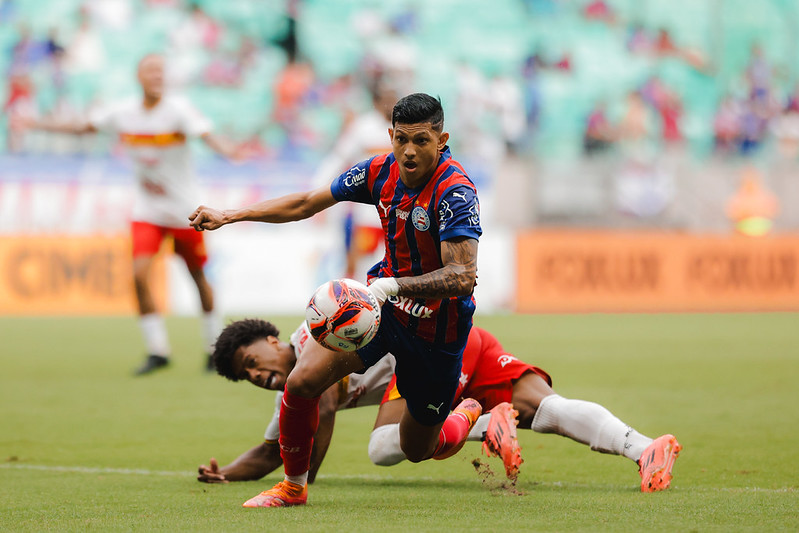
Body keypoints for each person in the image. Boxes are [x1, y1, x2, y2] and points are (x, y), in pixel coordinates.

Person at [189, 93, 483, 508]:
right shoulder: (379, 171)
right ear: (390, 136)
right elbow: (307, 203)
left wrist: (392, 287)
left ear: (441, 138)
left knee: (417, 448)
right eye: (401, 139)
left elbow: (463, 276)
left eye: (420, 140)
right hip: (382, 314)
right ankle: (293, 488)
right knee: (302, 382)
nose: (409, 151)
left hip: (439, 333)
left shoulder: (455, 191)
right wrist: (231, 215)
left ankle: (462, 415)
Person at [197, 318, 682, 493]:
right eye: (247, 377)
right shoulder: (294, 393)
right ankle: (645, 449)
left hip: (425, 361)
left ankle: (481, 420)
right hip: (463, 340)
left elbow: (320, 413)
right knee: (546, 409)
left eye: (251, 361)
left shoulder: (313, 341)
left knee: (386, 447)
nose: (257, 376)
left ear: (269, 337)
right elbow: (269, 450)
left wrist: (297, 482)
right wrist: (228, 475)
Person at [27, 54, 244, 375]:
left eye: (161, 71)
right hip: (148, 210)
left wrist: (228, 150)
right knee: (139, 275)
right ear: (139, 77)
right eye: (150, 71)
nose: (157, 76)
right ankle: (158, 350)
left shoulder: (179, 109)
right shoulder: (123, 112)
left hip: (187, 211)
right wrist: (37, 123)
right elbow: (83, 127)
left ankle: (213, 348)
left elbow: (206, 134)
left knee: (198, 278)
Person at [311, 81, 397, 278]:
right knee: (361, 257)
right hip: (368, 205)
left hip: (398, 204)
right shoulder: (363, 127)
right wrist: (317, 189)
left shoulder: (404, 128)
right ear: (377, 102)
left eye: (394, 100)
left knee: (397, 258)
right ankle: (355, 299)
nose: (391, 105)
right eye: (387, 100)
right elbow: (339, 157)